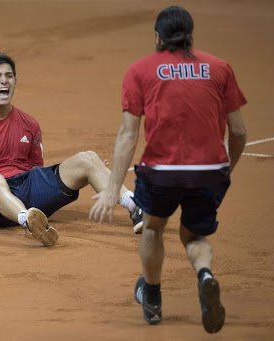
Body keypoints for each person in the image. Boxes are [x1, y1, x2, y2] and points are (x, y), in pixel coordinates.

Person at [89, 6, 247, 334]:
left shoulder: (140, 71)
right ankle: (204, 274)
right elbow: (240, 131)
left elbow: (128, 135)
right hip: (210, 170)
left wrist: (111, 189)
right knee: (194, 234)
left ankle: (153, 298)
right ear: (190, 35)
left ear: (158, 37)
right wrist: (226, 169)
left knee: (153, 226)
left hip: (162, 170)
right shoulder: (219, 68)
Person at [0, 52, 143, 247]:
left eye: (9, 76)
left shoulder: (30, 124)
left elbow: (36, 172)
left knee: (89, 159)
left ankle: (137, 206)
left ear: (15, 81)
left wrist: (91, 171)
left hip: (27, 188)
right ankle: (28, 221)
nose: (4, 81)